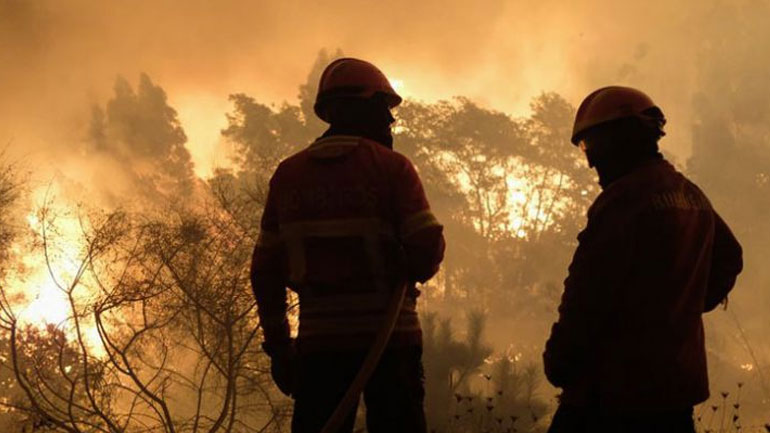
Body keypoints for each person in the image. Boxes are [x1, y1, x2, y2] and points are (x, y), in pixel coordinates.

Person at [250, 57, 445, 433]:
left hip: (319, 347)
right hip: (391, 342)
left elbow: (265, 272)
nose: (389, 121)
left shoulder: (289, 176)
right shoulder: (392, 169)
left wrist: (279, 348)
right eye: (384, 109)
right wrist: (406, 263)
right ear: (363, 109)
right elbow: (426, 249)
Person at [543, 86, 743, 433]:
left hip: (611, 396)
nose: (590, 161)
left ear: (616, 140)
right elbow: (730, 257)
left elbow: (588, 294)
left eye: (589, 146)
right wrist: (682, 308)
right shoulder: (690, 194)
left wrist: (560, 359)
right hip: (675, 394)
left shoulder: (624, 200)